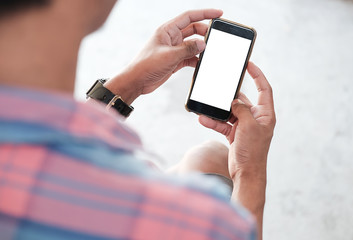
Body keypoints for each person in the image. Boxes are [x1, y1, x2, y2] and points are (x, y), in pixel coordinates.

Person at [0, 0, 276, 240]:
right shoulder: (198, 223)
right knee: (216, 161)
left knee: (209, 156)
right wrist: (250, 173)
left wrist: (127, 86)